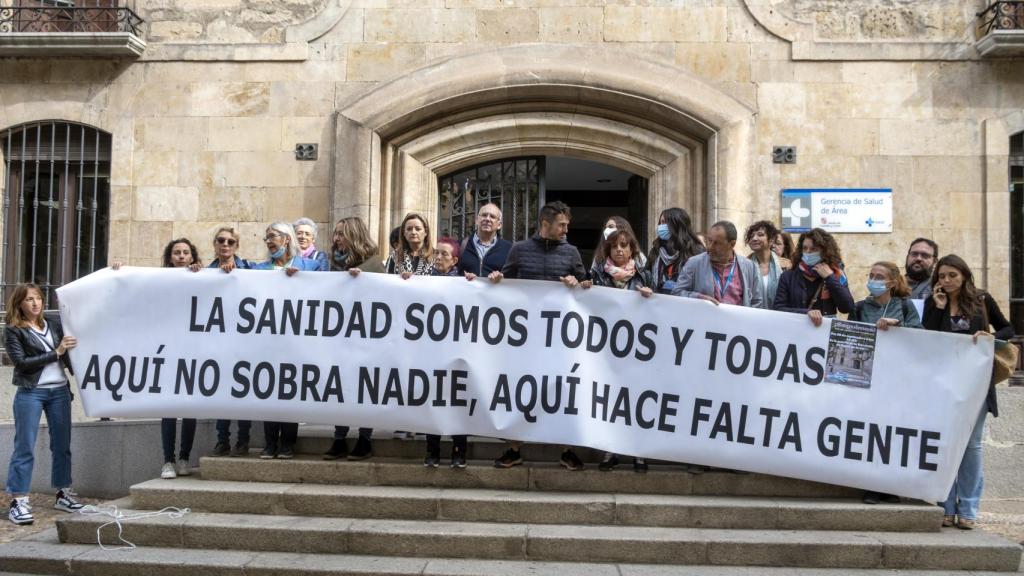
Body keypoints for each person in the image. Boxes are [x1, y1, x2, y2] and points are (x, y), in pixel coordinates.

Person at [489, 201, 590, 471]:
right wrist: (497, 279)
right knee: (521, 392)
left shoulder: (571, 253)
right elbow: (506, 282)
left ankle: (566, 450)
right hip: (524, 341)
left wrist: (578, 283)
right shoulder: (519, 250)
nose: (566, 229)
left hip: (560, 341)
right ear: (546, 224)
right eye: (562, 224)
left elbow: (588, 287)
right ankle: (514, 449)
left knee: (562, 392)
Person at [922, 255, 1013, 530]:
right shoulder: (933, 302)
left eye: (952, 275)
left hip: (976, 383)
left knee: (971, 446)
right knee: (946, 444)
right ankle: (946, 505)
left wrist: (991, 338)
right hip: (944, 384)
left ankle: (969, 507)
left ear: (964, 275)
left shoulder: (981, 300)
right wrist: (938, 308)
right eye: (942, 276)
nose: (947, 281)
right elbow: (928, 336)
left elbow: (1008, 327)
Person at [4, 283, 84, 525]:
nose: (36, 303)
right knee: (24, 446)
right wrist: (56, 352)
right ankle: (19, 501)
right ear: (19, 303)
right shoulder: (13, 330)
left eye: (38, 298)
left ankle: (63, 494)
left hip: (59, 391)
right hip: (31, 392)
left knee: (62, 445)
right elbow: (21, 363)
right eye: (29, 299)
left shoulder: (54, 323)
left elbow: (73, 346)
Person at [849, 261, 922, 505]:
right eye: (871, 275)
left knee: (893, 431)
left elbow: (921, 332)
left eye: (879, 276)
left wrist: (897, 325)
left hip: (899, 378)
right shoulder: (860, 307)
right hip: (869, 375)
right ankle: (871, 484)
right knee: (870, 430)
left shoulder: (904, 306)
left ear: (891, 282)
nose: (874, 280)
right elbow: (850, 335)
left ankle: (889, 484)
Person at [254, 222, 321, 459]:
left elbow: (328, 291)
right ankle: (270, 442)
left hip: (298, 342)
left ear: (287, 239)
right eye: (267, 238)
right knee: (269, 389)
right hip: (268, 341)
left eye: (273, 237)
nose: (269, 241)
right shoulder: (259, 270)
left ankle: (287, 443)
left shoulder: (312, 267)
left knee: (290, 389)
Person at [589, 228, 653, 473]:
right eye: (614, 246)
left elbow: (661, 309)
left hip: (638, 349)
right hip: (606, 349)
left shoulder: (644, 276)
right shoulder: (596, 275)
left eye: (624, 246)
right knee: (608, 400)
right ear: (608, 250)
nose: (619, 250)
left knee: (636, 400)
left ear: (631, 250)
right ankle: (610, 451)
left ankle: (638, 453)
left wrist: (651, 296)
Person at [322, 216, 383, 461]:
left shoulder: (374, 264)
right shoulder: (332, 264)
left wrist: (362, 281)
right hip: (340, 338)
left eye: (341, 234)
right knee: (340, 388)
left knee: (363, 388)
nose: (336, 239)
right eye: (335, 234)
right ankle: (339, 437)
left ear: (354, 235)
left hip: (366, 339)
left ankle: (364, 438)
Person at [208, 227, 254, 456]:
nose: (225, 244)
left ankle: (243, 439)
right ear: (214, 244)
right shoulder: (205, 271)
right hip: (218, 341)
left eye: (231, 241)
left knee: (243, 391)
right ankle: (222, 439)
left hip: (245, 340)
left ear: (237, 246)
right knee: (222, 391)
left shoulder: (250, 268)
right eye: (221, 240)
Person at [158, 239, 203, 479]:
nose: (182, 256)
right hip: (168, 351)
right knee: (169, 408)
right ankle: (168, 460)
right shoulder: (158, 279)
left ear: (192, 256)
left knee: (189, 408)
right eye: (177, 252)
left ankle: (184, 458)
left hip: (193, 351)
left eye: (186, 252)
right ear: (170, 257)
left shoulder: (202, 277)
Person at [773, 228, 853, 327]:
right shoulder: (789, 276)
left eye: (814, 249)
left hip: (823, 333)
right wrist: (806, 313)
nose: (808, 252)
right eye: (805, 248)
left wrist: (830, 278)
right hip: (796, 332)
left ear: (825, 251)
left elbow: (847, 307)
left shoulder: (836, 274)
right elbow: (778, 308)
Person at [673, 221, 763, 308]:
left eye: (717, 243)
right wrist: (698, 298)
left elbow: (756, 302)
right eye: (709, 240)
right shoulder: (694, 263)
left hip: (736, 322)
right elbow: (677, 292)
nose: (710, 247)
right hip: (704, 321)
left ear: (732, 244)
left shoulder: (749, 267)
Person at [647, 207, 704, 295]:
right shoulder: (656, 250)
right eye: (661, 222)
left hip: (685, 304)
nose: (660, 227)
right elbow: (647, 276)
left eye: (665, 223)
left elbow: (701, 285)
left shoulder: (696, 252)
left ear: (677, 225)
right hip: (659, 303)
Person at [457, 203, 512, 278]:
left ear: (499, 225)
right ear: (477, 220)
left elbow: (514, 276)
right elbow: (448, 272)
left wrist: (502, 277)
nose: (487, 219)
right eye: (484, 215)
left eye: (492, 217)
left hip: (495, 289)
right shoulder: (461, 245)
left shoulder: (508, 249)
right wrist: (464, 277)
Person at [745, 220, 788, 309]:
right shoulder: (744, 266)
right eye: (751, 236)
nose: (754, 239)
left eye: (760, 235)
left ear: (771, 240)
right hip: (752, 318)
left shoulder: (785, 266)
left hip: (779, 318)